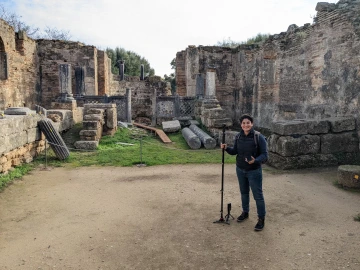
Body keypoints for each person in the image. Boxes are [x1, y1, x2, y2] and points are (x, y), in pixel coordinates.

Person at [220, 114, 268, 231]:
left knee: (258, 196)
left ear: (252, 124)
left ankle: (261, 218)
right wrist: (226, 148)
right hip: (240, 169)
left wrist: (255, 160)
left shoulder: (258, 137)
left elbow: (265, 155)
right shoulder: (238, 137)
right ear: (241, 125)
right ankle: (245, 212)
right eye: (243, 123)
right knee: (244, 193)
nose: (245, 125)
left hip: (254, 171)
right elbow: (235, 151)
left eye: (248, 123)